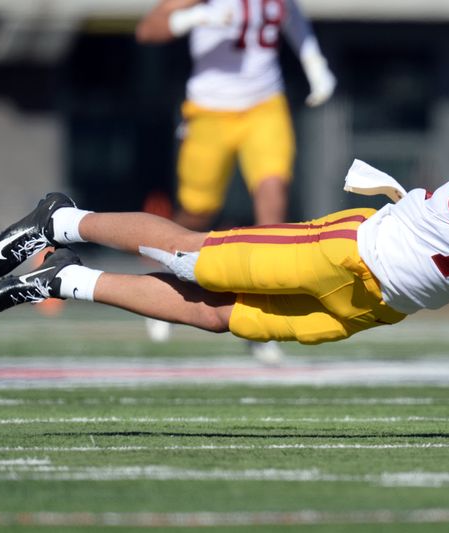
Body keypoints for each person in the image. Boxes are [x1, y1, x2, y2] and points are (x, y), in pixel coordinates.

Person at [0, 105, 449, 359]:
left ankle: (64, 278)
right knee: (196, 259)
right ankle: (61, 216)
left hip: (377, 305)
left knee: (219, 318)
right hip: (348, 249)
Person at [135, 0, 336, 361]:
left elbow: (293, 18)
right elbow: (148, 30)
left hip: (265, 105)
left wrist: (314, 62)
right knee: (198, 212)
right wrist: (195, 17)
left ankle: (261, 317)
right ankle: (163, 286)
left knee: (273, 205)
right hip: (209, 110)